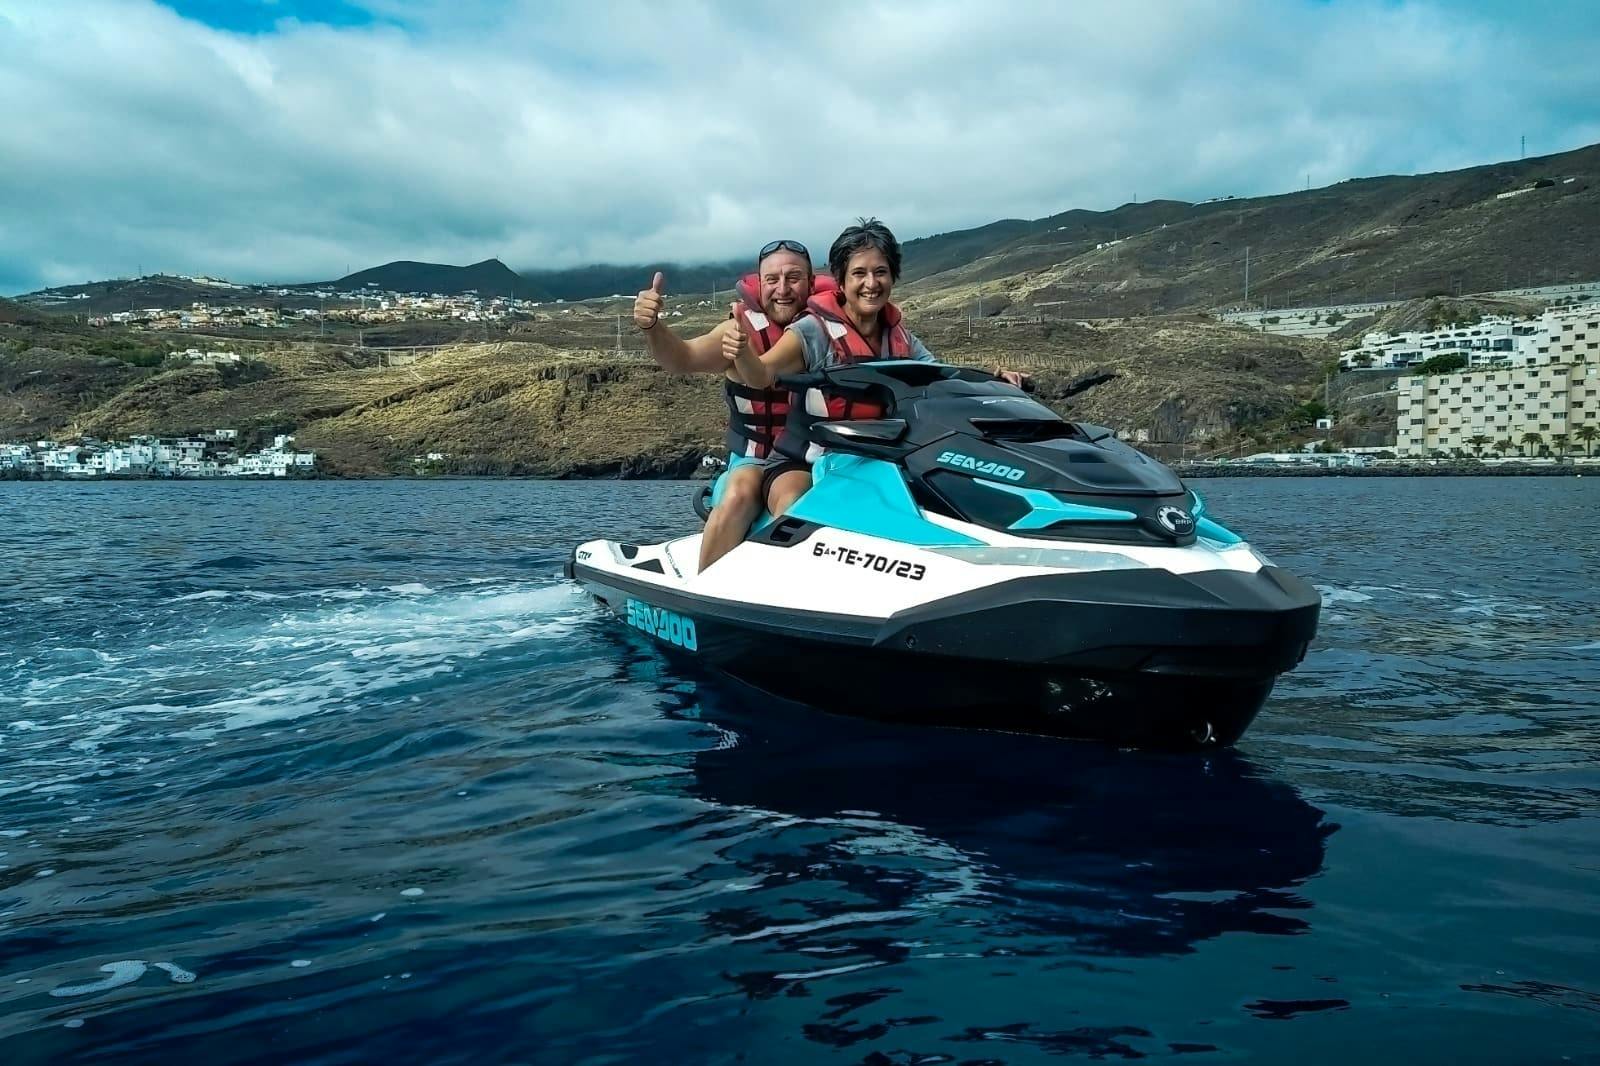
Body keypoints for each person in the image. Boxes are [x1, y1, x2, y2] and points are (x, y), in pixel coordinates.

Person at [725, 217, 1025, 516]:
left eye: (880, 272)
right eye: (859, 273)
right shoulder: (811, 331)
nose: (871, 283)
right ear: (841, 281)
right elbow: (762, 375)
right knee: (795, 508)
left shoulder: (901, 338)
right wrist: (742, 351)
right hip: (803, 459)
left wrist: (993, 383)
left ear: (892, 278)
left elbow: (942, 381)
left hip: (872, 459)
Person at [632, 240, 832, 572]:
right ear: (759, 284)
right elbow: (682, 358)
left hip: (812, 463)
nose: (782, 289)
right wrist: (653, 327)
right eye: (772, 279)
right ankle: (703, 592)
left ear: (812, 283)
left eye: (793, 278)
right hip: (751, 461)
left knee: (797, 499)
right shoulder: (737, 332)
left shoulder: (828, 332)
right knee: (741, 493)